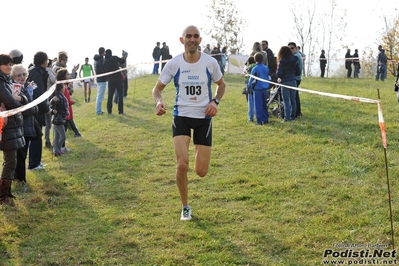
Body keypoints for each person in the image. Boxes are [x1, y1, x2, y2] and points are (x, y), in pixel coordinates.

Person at [151, 25, 226, 221]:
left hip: (203, 119)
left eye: (195, 36)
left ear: (200, 40)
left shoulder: (210, 63)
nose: (192, 39)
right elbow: (157, 89)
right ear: (181, 40)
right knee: (182, 165)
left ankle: (196, 149)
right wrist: (159, 102)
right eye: (188, 36)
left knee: (200, 171)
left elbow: (221, 85)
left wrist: (214, 102)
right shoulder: (174, 64)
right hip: (181, 117)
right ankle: (185, 207)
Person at [0, 54, 29, 205]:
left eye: (11, 64)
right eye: (6, 64)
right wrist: (22, 106)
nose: (9, 67)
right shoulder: (1, 82)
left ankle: (7, 192)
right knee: (10, 161)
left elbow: (21, 97)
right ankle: (2, 196)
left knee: (11, 160)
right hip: (5, 126)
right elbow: (10, 102)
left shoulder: (7, 80)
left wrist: (21, 101)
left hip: (12, 125)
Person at [11, 64, 39, 190]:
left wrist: (31, 107)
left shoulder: (26, 88)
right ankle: (20, 181)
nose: (22, 77)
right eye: (18, 75)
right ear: (13, 77)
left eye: (24, 74)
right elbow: (27, 110)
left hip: (27, 126)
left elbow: (35, 107)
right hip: (19, 126)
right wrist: (30, 107)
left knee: (22, 155)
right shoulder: (14, 90)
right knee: (20, 156)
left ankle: (20, 180)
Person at [27, 51, 50, 170]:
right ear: (44, 61)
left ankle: (36, 162)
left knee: (36, 135)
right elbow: (39, 94)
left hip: (34, 108)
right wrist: (46, 108)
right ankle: (33, 164)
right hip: (36, 110)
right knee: (36, 136)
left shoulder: (33, 71)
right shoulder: (37, 74)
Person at [276, 46, 300, 122]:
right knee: (293, 100)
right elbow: (298, 72)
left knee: (286, 100)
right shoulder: (294, 60)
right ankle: (293, 116)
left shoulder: (282, 61)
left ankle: (287, 117)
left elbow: (279, 74)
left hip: (285, 82)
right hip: (293, 81)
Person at [57, 68, 82, 140]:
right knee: (66, 122)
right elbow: (64, 99)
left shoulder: (64, 85)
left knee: (69, 120)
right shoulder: (62, 86)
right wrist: (71, 102)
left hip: (68, 107)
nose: (68, 76)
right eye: (67, 74)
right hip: (65, 108)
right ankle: (62, 141)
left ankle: (76, 133)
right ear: (63, 76)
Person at [247, 53, 270, 125]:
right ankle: (265, 119)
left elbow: (252, 79)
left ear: (255, 59)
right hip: (265, 88)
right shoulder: (266, 68)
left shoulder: (255, 68)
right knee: (264, 105)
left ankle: (259, 121)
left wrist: (249, 86)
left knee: (258, 105)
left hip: (257, 89)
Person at [103, 49, 126, 115]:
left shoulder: (104, 61)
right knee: (120, 94)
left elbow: (104, 70)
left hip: (110, 79)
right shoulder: (114, 58)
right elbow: (123, 61)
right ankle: (120, 111)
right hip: (118, 78)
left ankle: (109, 111)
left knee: (110, 95)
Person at [50, 82, 69, 157]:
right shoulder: (57, 96)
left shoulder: (61, 96)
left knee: (57, 136)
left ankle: (56, 150)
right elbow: (52, 103)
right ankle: (58, 149)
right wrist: (53, 101)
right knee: (63, 136)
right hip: (58, 120)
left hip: (60, 119)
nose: (65, 88)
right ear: (61, 88)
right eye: (64, 87)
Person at [288, 42, 303, 118]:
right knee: (295, 96)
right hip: (297, 78)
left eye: (292, 48)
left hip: (296, 78)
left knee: (294, 97)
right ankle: (298, 112)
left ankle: (297, 113)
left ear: (296, 48)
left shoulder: (296, 57)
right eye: (289, 48)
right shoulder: (296, 55)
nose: (290, 50)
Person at [93, 47, 107, 115]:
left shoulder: (96, 60)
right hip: (102, 79)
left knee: (99, 95)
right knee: (100, 96)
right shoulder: (101, 60)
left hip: (98, 79)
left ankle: (98, 110)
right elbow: (102, 70)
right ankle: (98, 111)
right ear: (103, 52)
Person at [243, 56, 256, 122]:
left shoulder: (249, 68)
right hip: (257, 87)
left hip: (250, 86)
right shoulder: (257, 66)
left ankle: (251, 118)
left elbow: (246, 77)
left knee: (250, 102)